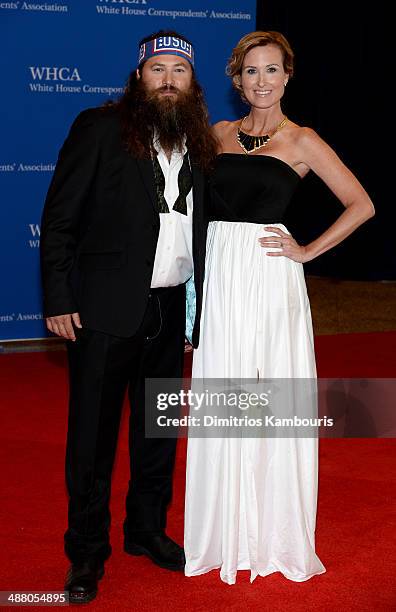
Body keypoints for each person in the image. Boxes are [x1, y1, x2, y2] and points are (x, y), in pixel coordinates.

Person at [184, 31, 374, 584]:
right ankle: (222, 532)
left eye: (271, 70)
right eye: (250, 71)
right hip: (220, 275)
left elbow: (361, 204)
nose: (261, 81)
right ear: (236, 79)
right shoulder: (216, 133)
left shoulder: (303, 140)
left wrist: (308, 250)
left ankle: (274, 535)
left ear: (287, 75)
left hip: (270, 278)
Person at [40, 30, 217, 603]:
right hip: (103, 312)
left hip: (170, 309)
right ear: (138, 76)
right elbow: (60, 218)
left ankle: (145, 531)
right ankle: (86, 554)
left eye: (179, 71)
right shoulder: (100, 128)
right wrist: (59, 298)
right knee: (91, 439)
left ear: (193, 83)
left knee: (156, 431)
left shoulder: (200, 142)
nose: (168, 79)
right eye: (157, 69)